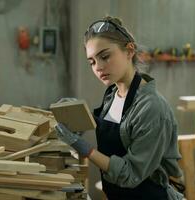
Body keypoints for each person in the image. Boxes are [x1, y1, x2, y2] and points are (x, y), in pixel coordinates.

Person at [55, 16, 184, 200]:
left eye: (105, 56)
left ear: (129, 50)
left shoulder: (152, 108)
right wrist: (76, 115)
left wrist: (86, 149)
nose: (98, 67)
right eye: (92, 61)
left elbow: (130, 174)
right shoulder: (112, 94)